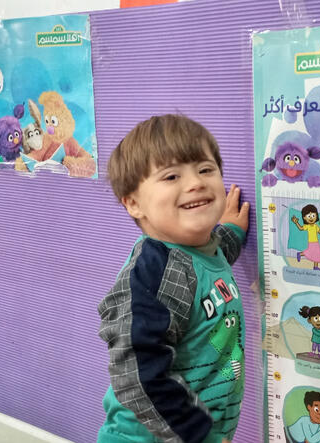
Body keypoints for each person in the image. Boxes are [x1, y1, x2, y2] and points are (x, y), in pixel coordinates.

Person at [97, 115, 250, 443]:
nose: (195, 182)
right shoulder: (153, 272)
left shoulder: (199, 248)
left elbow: (213, 257)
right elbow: (136, 375)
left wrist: (232, 232)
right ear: (134, 203)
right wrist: (200, 436)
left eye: (206, 170)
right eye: (171, 176)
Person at [291, 204, 320, 271]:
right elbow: (300, 228)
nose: (311, 218)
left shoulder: (316, 226)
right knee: (310, 252)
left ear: (316, 216)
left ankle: (315, 267)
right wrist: (296, 222)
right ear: (305, 218)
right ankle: (300, 254)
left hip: (316, 242)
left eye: (313, 216)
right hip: (311, 242)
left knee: (317, 254)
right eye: (309, 216)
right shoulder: (307, 226)